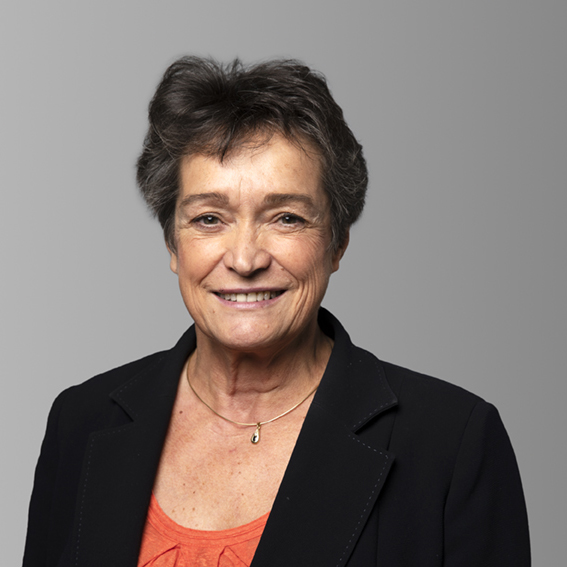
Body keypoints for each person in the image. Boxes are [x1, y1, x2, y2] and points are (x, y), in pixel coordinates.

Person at [23, 56, 530, 567]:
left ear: (337, 243)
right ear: (173, 243)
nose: (245, 260)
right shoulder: (80, 423)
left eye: (286, 218)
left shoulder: (452, 445)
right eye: (209, 218)